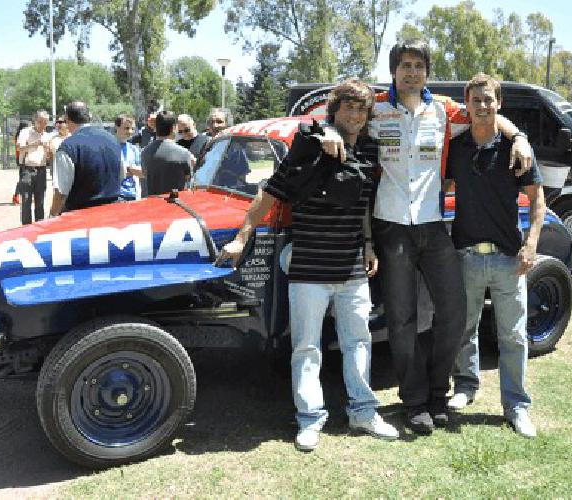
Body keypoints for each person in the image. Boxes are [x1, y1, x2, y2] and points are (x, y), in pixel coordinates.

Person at [318, 41, 534, 435]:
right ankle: (415, 401)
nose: (412, 72)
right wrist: (329, 128)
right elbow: (332, 117)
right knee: (401, 320)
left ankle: (439, 394)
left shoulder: (445, 110)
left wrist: (519, 136)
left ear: (427, 73)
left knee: (453, 313)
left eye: (419, 65)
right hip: (390, 225)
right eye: (405, 65)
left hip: (434, 226)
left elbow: (487, 115)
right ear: (394, 71)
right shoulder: (375, 108)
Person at [216, 78, 399, 452]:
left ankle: (363, 411)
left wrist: (367, 244)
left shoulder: (368, 150)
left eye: (362, 109)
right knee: (307, 348)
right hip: (309, 267)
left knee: (358, 342)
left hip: (351, 267)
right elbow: (268, 193)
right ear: (335, 110)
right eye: (348, 107)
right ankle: (310, 418)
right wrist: (241, 236)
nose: (355, 114)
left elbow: (363, 203)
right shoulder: (310, 146)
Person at [442, 73, 545, 438]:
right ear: (466, 105)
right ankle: (466, 388)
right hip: (466, 255)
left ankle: (516, 405)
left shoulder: (516, 150)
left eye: (489, 100)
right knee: (464, 328)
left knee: (513, 336)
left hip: (508, 260)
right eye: (476, 100)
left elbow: (537, 199)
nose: (483, 106)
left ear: (498, 104)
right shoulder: (456, 148)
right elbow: (439, 186)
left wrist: (531, 243)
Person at [49, 101, 124, 215]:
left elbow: (61, 192)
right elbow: (122, 174)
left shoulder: (68, 147)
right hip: (113, 213)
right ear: (89, 116)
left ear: (67, 119)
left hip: (81, 216)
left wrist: (52, 216)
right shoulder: (113, 140)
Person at [140, 111, 195, 196]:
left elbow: (144, 174)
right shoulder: (184, 154)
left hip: (152, 204)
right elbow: (188, 179)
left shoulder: (145, 153)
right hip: (175, 204)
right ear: (173, 128)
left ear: (156, 128)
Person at [17, 110, 54, 224]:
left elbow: (49, 157)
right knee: (26, 201)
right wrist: (35, 143)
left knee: (40, 202)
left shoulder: (48, 136)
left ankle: (39, 228)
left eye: (45, 122)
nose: (43, 125)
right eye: (40, 122)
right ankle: (26, 228)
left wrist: (49, 151)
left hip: (41, 170)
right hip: (27, 169)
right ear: (35, 121)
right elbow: (19, 147)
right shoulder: (25, 132)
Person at [114, 113, 144, 201]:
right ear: (117, 127)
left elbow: (142, 172)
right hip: (116, 196)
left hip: (132, 195)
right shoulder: (109, 147)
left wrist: (130, 169)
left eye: (132, 129)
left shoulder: (134, 149)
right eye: (126, 128)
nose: (130, 132)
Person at [12, 120, 30, 205]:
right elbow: (20, 147)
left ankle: (21, 195)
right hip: (22, 158)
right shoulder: (21, 136)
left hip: (22, 158)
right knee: (23, 179)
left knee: (25, 177)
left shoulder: (18, 135)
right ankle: (16, 196)